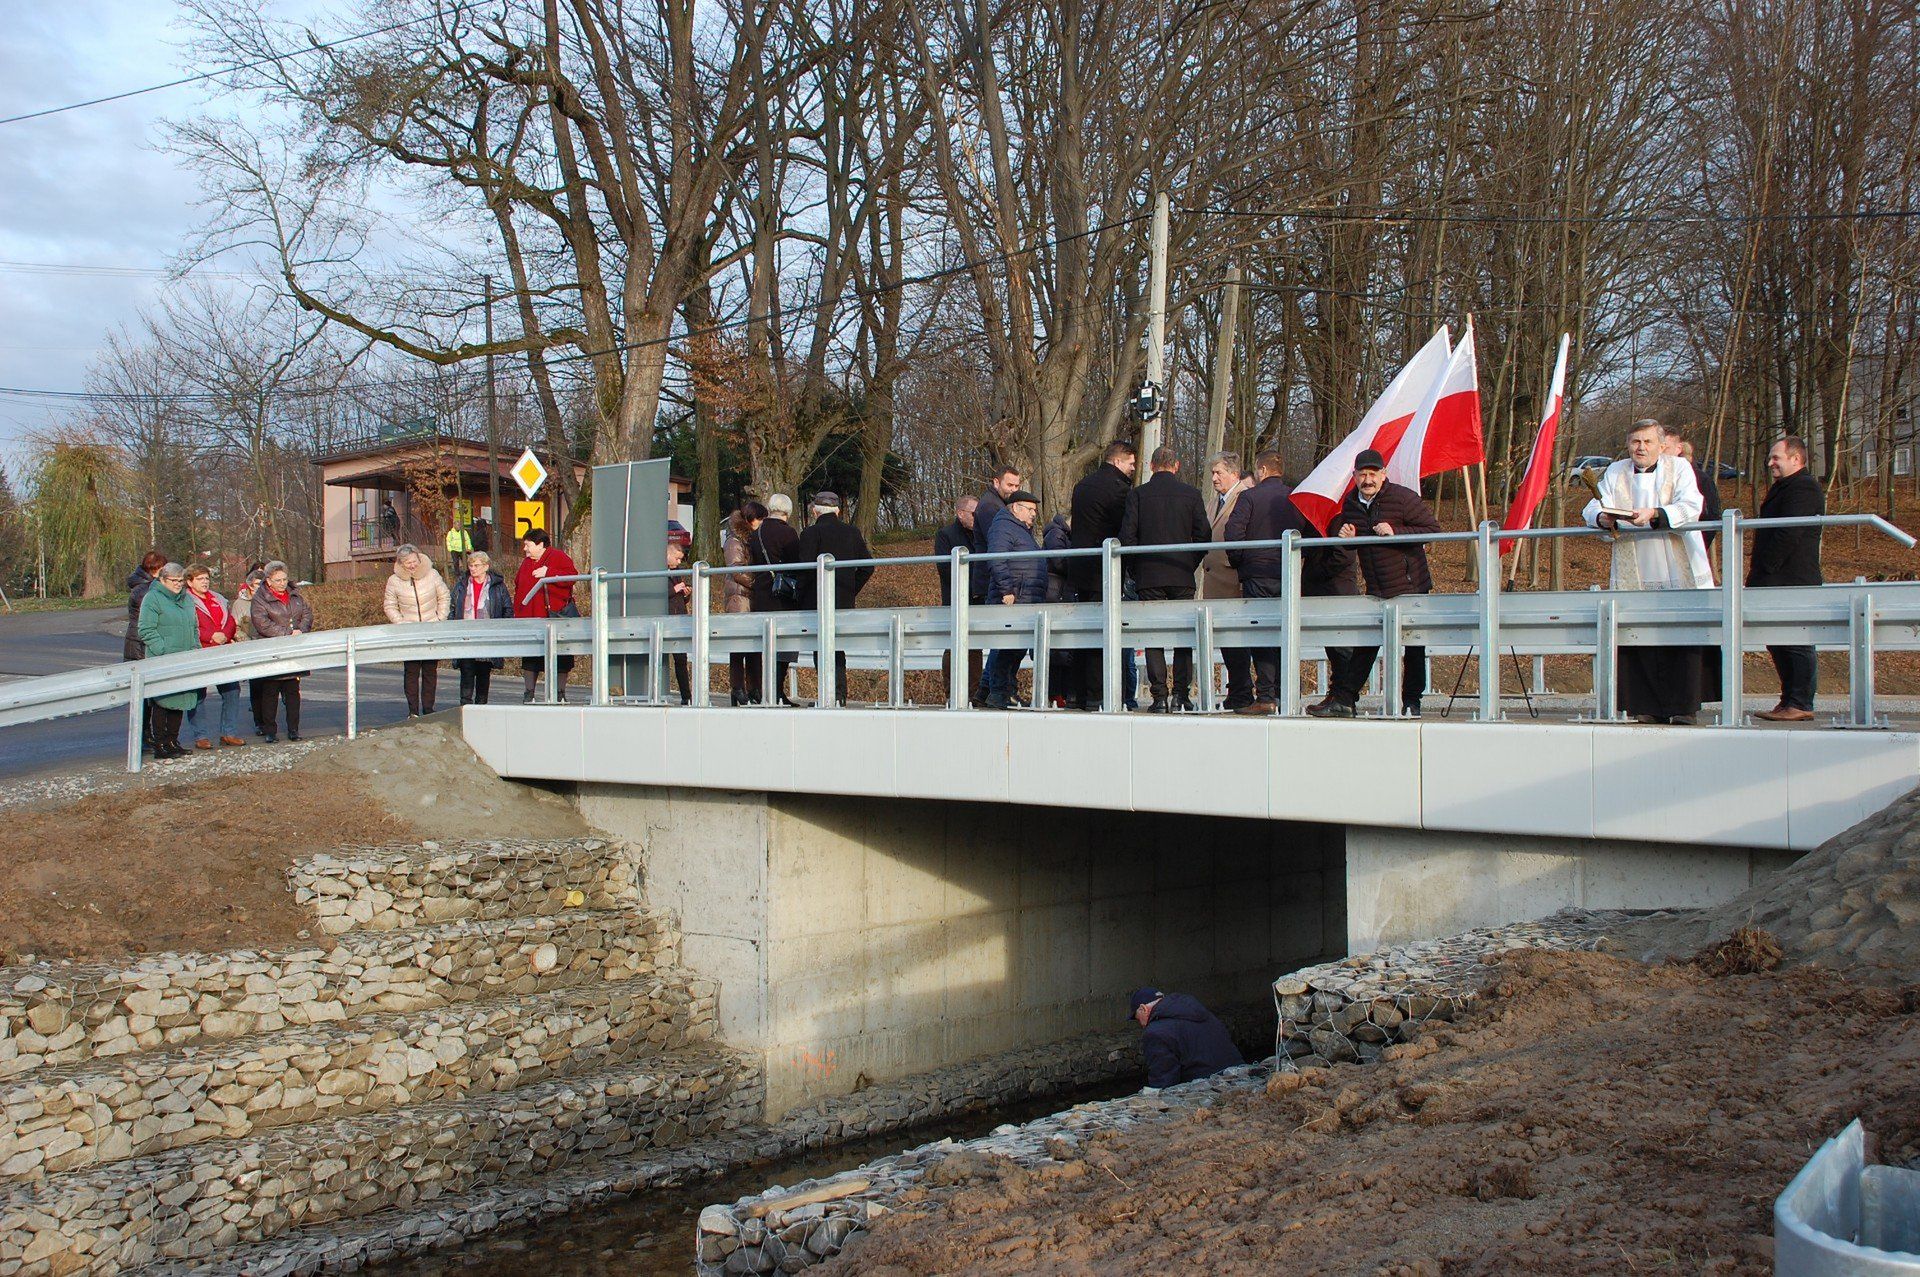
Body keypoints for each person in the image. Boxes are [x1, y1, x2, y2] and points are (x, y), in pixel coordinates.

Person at [1583, 419, 1719, 725]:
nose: (1640, 448)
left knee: (1680, 632)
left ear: (1660, 445)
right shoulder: (1616, 470)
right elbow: (1593, 506)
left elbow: (1692, 505)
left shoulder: (1679, 468)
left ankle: (1684, 706)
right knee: (1638, 633)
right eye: (1635, 442)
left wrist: (1656, 513)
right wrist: (1602, 517)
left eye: (1647, 442)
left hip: (1675, 558)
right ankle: (1644, 705)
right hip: (1635, 562)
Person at [1318, 448, 1442, 718]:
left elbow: (1433, 530)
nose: (1368, 480)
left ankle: (1411, 702)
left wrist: (1395, 532)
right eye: (1362, 474)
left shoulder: (1402, 498)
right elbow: (1355, 541)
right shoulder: (1351, 504)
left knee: (1414, 645)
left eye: (1373, 474)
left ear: (1384, 475)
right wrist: (1347, 538)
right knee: (1367, 643)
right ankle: (1345, 700)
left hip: (1411, 586)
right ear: (1354, 477)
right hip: (1377, 588)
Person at [1121, 447, 1210, 712]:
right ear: (1177, 465)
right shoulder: (1192, 495)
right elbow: (1203, 536)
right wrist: (1189, 563)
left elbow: (1128, 538)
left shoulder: (1137, 495)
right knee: (1184, 637)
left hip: (1149, 576)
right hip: (1182, 574)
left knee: (1154, 636)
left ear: (1151, 465)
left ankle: (1159, 697)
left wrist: (1137, 569)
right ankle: (1181, 695)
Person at [1225, 451, 1313, 715]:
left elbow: (1233, 533)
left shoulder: (1249, 497)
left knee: (1262, 634)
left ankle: (1266, 696)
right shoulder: (1296, 497)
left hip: (1258, 574)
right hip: (1288, 573)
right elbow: (1307, 532)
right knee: (1288, 632)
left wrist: (1242, 563)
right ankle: (1290, 693)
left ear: (1261, 470)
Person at [1750, 435, 1824, 722]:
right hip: (1776, 577)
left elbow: (1788, 533)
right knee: (1778, 639)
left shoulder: (1803, 488)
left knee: (1796, 639)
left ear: (1796, 459)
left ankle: (1801, 701)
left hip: (1791, 578)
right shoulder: (1785, 487)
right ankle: (1789, 700)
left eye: (1776, 458)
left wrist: (1767, 566)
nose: (1770, 463)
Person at [1068, 441, 1138, 708]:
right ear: (1118, 461)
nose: (1133, 468)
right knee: (1105, 633)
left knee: (1083, 634)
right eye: (1131, 463)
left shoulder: (1082, 486)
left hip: (1081, 568)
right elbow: (1124, 529)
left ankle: (1079, 694)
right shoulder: (1120, 490)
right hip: (1106, 569)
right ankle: (1101, 694)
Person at [795, 492, 873, 706]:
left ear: (814, 511)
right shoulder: (852, 532)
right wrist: (851, 589)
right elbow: (868, 566)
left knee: (821, 647)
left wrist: (800, 596)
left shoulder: (810, 533)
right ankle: (839, 694)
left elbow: (804, 570)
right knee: (837, 647)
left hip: (816, 600)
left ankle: (827, 694)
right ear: (838, 511)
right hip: (843, 600)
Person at [1198, 453, 1254, 710]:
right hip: (1215, 580)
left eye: (1219, 472)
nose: (1214, 478)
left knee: (1238, 639)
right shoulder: (1215, 502)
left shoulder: (1245, 497)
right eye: (1212, 473)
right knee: (1227, 641)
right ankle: (1237, 688)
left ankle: (1242, 690)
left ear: (1234, 473)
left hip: (1233, 579)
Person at [983, 491, 1046, 709]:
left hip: (1026, 597)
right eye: (1030, 510)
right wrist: (1006, 590)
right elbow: (997, 559)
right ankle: (999, 692)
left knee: (1016, 649)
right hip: (1013, 598)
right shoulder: (1003, 527)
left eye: (1035, 511)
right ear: (1016, 508)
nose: (1033, 515)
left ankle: (1006, 691)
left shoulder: (1020, 529)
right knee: (1006, 648)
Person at [136, 562, 199, 760]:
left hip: (185, 658)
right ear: (162, 580)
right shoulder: (152, 598)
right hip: (163, 659)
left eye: (181, 581)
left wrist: (196, 650)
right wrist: (163, 649)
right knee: (162, 702)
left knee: (180, 700)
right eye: (174, 581)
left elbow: (194, 628)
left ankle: (173, 740)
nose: (178, 584)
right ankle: (160, 742)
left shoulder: (187, 599)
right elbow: (146, 629)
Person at [971, 466, 1023, 703]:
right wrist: (1006, 586)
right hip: (993, 581)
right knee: (1003, 639)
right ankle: (994, 689)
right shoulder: (993, 509)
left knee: (1001, 641)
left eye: (1016, 486)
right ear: (996, 482)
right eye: (1009, 485)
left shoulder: (993, 505)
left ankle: (985, 689)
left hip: (992, 579)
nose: (1013, 490)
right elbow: (999, 547)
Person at [1128, 987, 1244, 1089]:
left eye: (1139, 1019)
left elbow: (1163, 1082)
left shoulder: (1155, 1033)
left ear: (1143, 1009)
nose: (1142, 1025)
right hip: (1240, 1077)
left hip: (1205, 1089)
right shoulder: (1201, 1012)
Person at [383, 544, 452, 717]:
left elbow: (444, 596)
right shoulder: (394, 581)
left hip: (432, 628)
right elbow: (390, 605)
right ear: (401, 564)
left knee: (430, 671)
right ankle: (412, 710)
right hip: (409, 632)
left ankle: (428, 708)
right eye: (407, 563)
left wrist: (439, 618)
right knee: (411, 672)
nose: (412, 565)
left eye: (414, 561)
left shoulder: (432, 574)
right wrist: (401, 623)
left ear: (419, 558)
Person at [183, 566, 246, 750]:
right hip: (201, 651)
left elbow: (230, 621)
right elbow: (188, 626)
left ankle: (229, 732)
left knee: (232, 691)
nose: (204, 581)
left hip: (223, 650)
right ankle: (200, 736)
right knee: (198, 695)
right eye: (200, 578)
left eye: (206, 578)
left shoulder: (218, 598)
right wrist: (210, 636)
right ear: (190, 582)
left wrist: (225, 635)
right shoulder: (186, 601)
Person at [513, 528, 579, 703]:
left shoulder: (558, 557)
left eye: (527, 545)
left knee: (562, 656)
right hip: (531, 620)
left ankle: (560, 693)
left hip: (555, 619)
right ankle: (529, 692)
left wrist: (548, 573)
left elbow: (572, 577)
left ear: (540, 544)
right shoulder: (526, 563)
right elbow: (519, 587)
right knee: (531, 657)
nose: (525, 549)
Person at [249, 561, 313, 742]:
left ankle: (294, 729)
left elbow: (307, 613)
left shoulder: (295, 595)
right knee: (270, 693)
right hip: (273, 651)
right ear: (269, 580)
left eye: (284, 579)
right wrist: (287, 634)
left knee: (293, 692)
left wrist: (301, 630)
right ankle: (270, 731)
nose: (282, 583)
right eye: (278, 580)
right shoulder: (260, 599)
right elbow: (261, 623)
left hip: (294, 650)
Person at [750, 494, 802, 705]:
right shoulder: (788, 533)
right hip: (782, 595)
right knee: (785, 645)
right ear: (787, 512)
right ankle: (777, 691)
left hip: (761, 595)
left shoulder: (757, 533)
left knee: (767, 646)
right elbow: (796, 562)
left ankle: (766, 691)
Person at [934, 496, 985, 699]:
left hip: (977, 597)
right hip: (955, 597)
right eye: (973, 513)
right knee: (953, 646)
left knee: (975, 647)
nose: (976, 517)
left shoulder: (981, 534)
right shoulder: (946, 535)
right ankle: (952, 692)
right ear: (960, 513)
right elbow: (945, 569)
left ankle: (973, 693)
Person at [450, 549, 514, 705]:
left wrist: (500, 632)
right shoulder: (462, 585)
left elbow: (508, 609)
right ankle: (465, 708)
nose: (473, 569)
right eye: (471, 565)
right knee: (466, 673)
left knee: (484, 675)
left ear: (486, 566)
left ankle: (480, 708)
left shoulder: (497, 586)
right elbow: (452, 608)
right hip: (466, 637)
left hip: (488, 638)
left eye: (477, 565)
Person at [724, 502, 768, 705]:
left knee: (753, 645)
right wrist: (757, 582)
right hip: (739, 598)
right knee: (739, 646)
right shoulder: (734, 541)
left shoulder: (750, 540)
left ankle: (754, 688)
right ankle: (738, 687)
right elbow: (737, 569)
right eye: (761, 519)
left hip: (750, 597)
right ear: (751, 519)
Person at [1664, 425, 1723, 549]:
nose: (1661, 453)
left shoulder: (1700, 478)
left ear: (1678, 448)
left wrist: (1697, 547)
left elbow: (1711, 515)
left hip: (1689, 545)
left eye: (1665, 448)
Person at [1042, 511, 1077, 707]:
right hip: (1056, 592)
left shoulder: (1063, 535)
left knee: (1063, 649)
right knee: (1057, 649)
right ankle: (1055, 693)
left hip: (1061, 591)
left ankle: (1060, 692)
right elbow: (1059, 562)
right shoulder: (1056, 534)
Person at [235, 563, 269, 735]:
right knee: (256, 687)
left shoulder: (269, 601)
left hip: (268, 648)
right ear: (249, 585)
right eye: (257, 585)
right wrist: (245, 642)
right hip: (250, 649)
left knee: (270, 688)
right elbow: (235, 627)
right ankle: (259, 722)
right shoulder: (240, 604)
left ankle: (269, 721)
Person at [665, 540, 695, 704]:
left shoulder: (676, 572)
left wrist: (685, 594)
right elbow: (658, 593)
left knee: (681, 659)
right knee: (664, 657)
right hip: (666, 617)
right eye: (676, 558)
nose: (679, 562)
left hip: (679, 616)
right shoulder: (660, 571)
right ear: (667, 554)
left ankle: (686, 696)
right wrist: (674, 590)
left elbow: (680, 599)